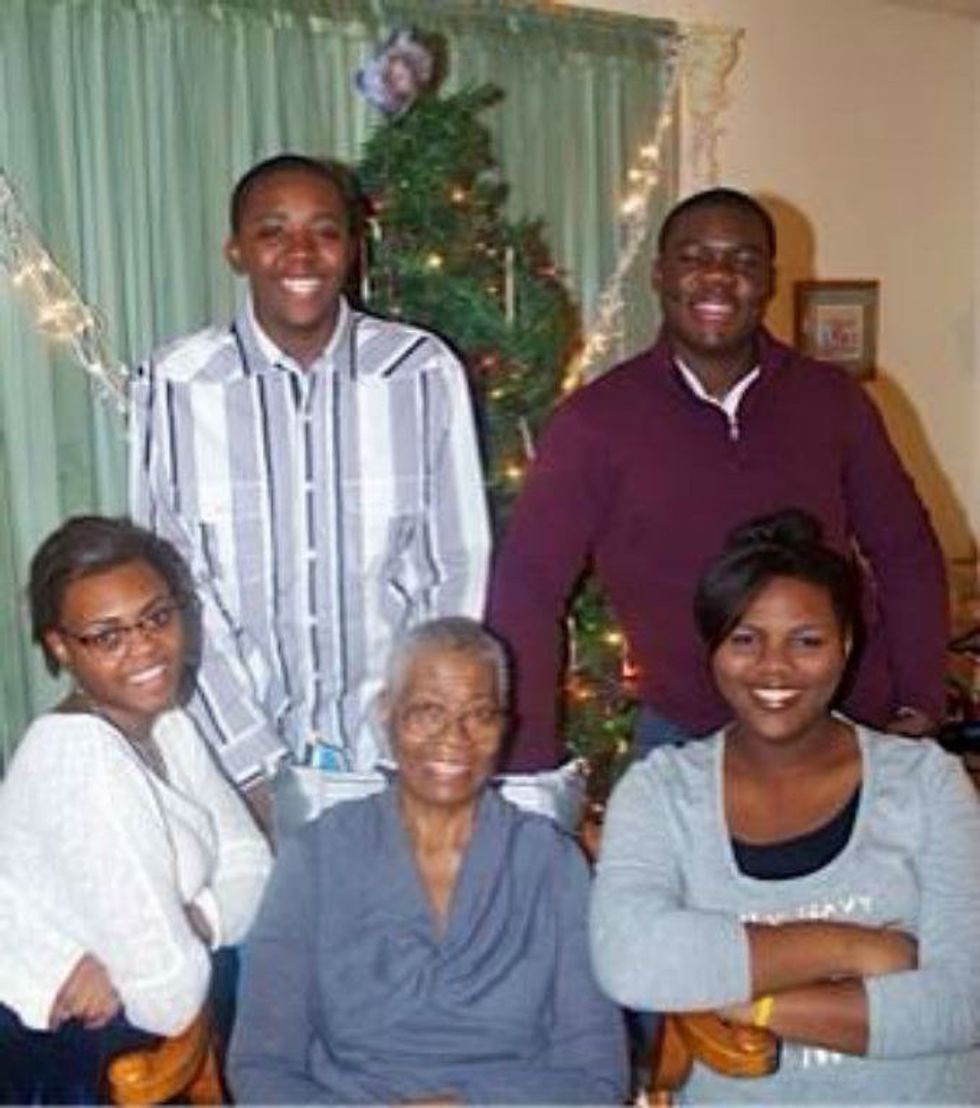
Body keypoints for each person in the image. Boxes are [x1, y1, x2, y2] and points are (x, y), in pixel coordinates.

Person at [488, 187, 947, 769]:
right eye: (694, 257)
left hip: (845, 728)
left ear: (770, 281)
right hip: (687, 741)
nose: (718, 277)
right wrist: (529, 763)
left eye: (743, 261)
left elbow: (905, 550)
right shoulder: (595, 423)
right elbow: (528, 590)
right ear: (659, 275)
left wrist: (918, 699)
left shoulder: (833, 402)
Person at [129, 153, 491, 825]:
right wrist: (253, 770)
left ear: (352, 248)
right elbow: (169, 591)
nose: (301, 253)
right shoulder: (176, 383)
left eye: (324, 231)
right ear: (236, 250)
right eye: (273, 231)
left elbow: (455, 568)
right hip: (230, 766)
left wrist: (411, 737)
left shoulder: (419, 371)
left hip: (392, 756)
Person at [590, 510, 980, 1104]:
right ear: (714, 649)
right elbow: (631, 959)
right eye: (745, 640)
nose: (774, 666)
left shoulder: (927, 784)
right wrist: (855, 947)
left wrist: (754, 1004)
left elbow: (965, 999)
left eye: (807, 641)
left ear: (845, 645)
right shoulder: (661, 792)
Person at [228, 617, 627, 1104]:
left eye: (479, 715)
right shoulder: (317, 857)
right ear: (386, 714)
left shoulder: (550, 863)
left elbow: (596, 1075)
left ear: (503, 727)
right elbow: (262, 1066)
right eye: (427, 712)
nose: (454, 737)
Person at [0, 516, 271, 1103]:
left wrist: (190, 922)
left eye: (156, 617)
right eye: (108, 636)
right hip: (58, 1071)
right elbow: (167, 999)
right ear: (60, 647)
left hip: (123, 1051)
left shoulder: (167, 723)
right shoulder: (78, 758)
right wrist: (163, 952)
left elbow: (254, 864)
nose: (145, 647)